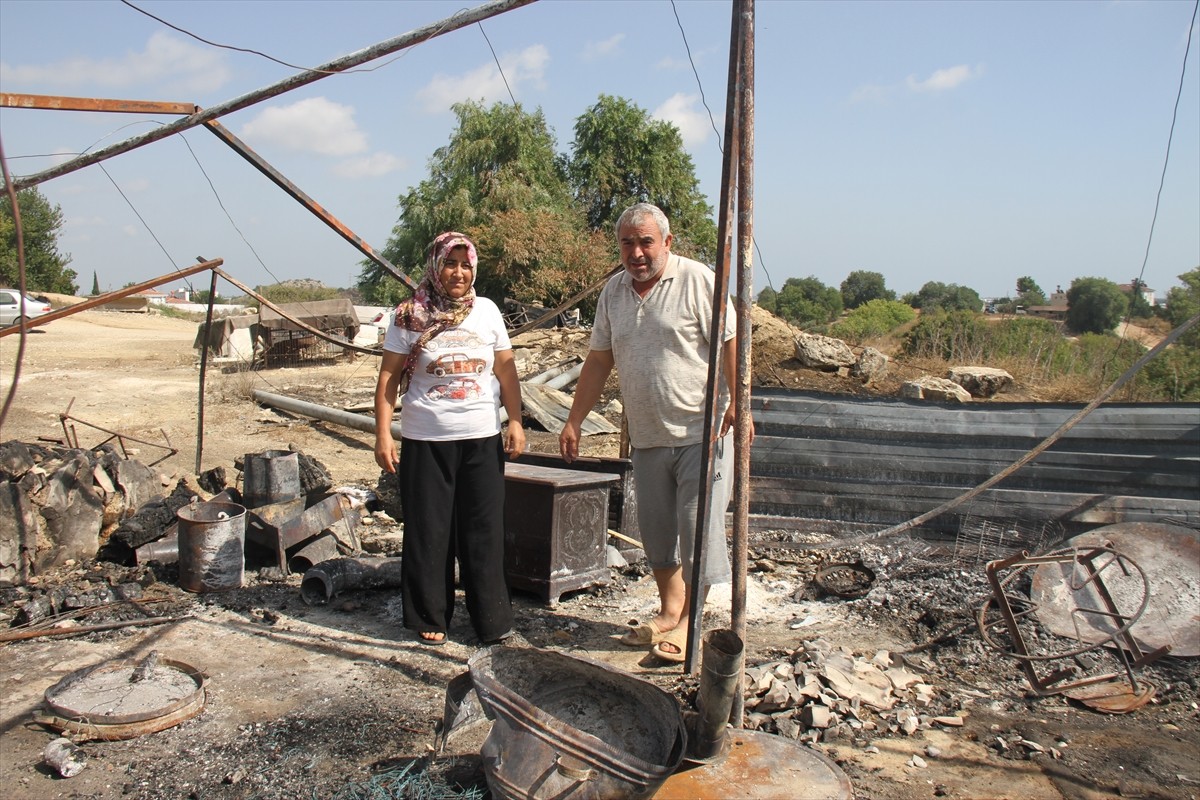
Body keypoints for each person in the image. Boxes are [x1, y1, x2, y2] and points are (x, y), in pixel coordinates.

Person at [559, 203, 751, 663]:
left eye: (647, 241)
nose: (637, 252)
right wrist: (573, 419)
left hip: (701, 433)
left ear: (667, 242)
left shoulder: (698, 280)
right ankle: (670, 609)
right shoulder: (614, 293)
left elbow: (731, 343)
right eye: (628, 243)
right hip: (646, 434)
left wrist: (741, 406)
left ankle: (691, 625)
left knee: (696, 527)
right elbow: (600, 360)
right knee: (657, 531)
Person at [374, 231, 525, 646]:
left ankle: (491, 619)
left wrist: (515, 420)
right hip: (426, 438)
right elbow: (389, 378)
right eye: (450, 263)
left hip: (481, 437)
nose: (458, 273)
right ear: (435, 266)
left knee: (484, 528)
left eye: (465, 264)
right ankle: (430, 615)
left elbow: (506, 370)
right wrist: (383, 433)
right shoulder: (409, 314)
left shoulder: (488, 311)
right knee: (429, 528)